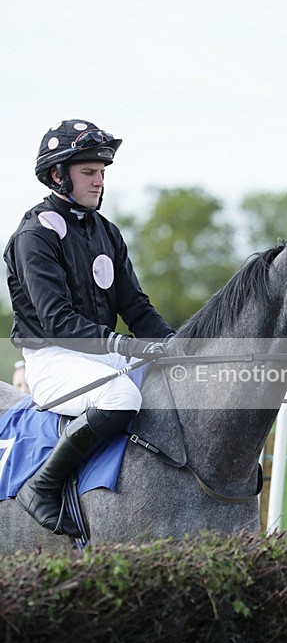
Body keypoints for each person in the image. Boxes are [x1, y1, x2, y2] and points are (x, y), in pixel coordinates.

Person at [3, 119, 173, 537]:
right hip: (53, 359)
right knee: (121, 393)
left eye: (101, 172)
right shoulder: (34, 235)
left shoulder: (107, 232)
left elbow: (134, 304)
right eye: (89, 172)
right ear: (59, 175)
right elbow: (57, 320)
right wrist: (125, 346)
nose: (99, 181)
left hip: (102, 354)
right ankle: (42, 486)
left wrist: (172, 344)